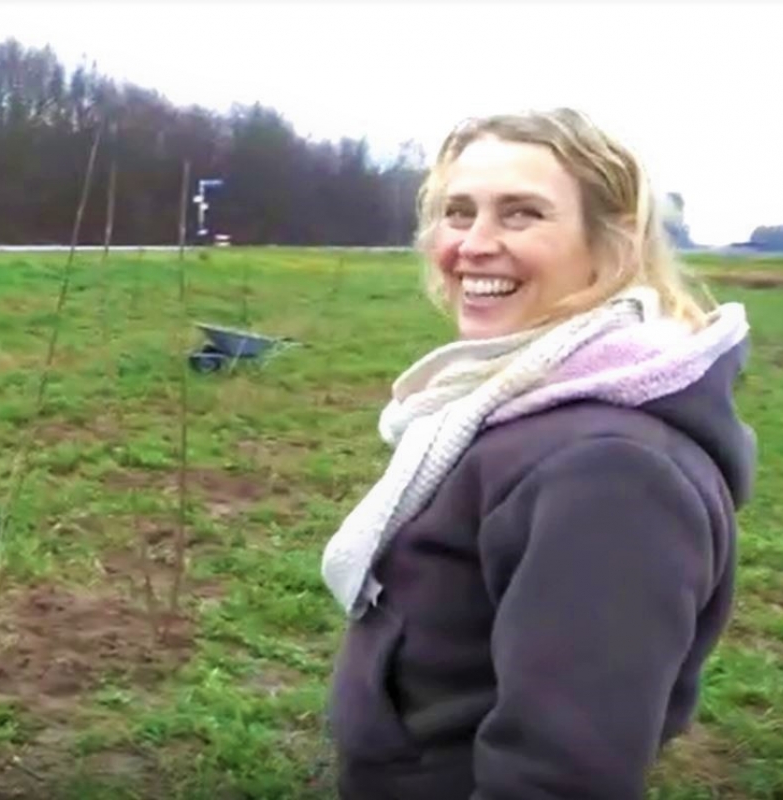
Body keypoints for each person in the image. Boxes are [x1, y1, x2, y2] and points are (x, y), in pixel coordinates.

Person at [320, 107, 755, 800]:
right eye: (458, 213)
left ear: (609, 245)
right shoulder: (517, 399)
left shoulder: (611, 475)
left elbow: (562, 776)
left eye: (521, 215)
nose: (474, 244)